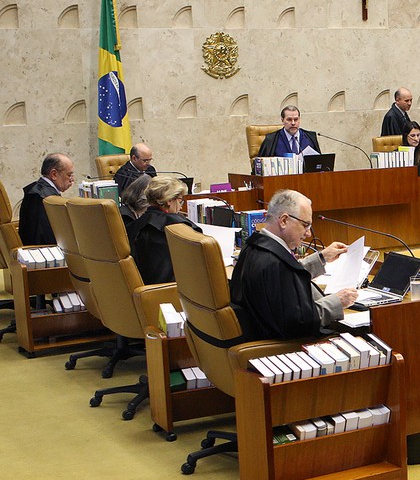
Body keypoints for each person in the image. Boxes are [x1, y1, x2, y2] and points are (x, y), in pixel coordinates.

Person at [230, 189, 358, 342]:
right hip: (283, 349)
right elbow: (300, 323)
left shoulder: (255, 247)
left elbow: (287, 277)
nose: (308, 233)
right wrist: (337, 301)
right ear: (284, 220)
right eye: (305, 225)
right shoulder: (272, 263)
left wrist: (321, 258)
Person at [126, 177, 202, 285]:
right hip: (176, 290)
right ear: (170, 201)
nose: (180, 207)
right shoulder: (179, 226)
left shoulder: (134, 226)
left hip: (146, 290)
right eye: (180, 201)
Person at [19, 153, 74, 246]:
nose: (72, 180)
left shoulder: (38, 190)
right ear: (54, 174)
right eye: (69, 175)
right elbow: (47, 237)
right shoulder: (45, 198)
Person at [256, 105, 321, 157]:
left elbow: (320, 164)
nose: (293, 123)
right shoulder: (271, 140)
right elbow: (260, 167)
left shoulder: (310, 137)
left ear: (299, 119)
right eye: (289, 120)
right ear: (282, 120)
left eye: (296, 119)